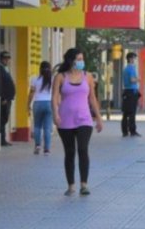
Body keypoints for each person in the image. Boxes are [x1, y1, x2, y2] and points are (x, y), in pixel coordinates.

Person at [52, 48, 103, 196]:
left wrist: (98, 117)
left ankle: (84, 184)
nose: (81, 62)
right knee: (69, 152)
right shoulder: (60, 77)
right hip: (65, 119)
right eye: (78, 59)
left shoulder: (87, 77)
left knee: (82, 149)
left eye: (82, 59)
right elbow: (54, 97)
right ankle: (71, 185)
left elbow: (92, 98)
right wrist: (55, 114)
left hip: (84, 119)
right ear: (71, 60)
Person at [27, 61, 53, 155]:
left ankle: (37, 146)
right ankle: (47, 149)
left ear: (40, 69)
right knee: (47, 128)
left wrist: (28, 105)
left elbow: (31, 93)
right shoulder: (53, 79)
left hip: (37, 103)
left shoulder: (34, 79)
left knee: (37, 126)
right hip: (49, 104)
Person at [121, 52, 141, 137]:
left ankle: (124, 131)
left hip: (126, 91)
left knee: (125, 113)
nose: (134, 60)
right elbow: (132, 80)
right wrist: (138, 79)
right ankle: (132, 130)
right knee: (132, 112)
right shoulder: (131, 69)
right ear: (130, 59)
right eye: (133, 58)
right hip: (132, 91)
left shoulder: (125, 69)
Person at [0, 51, 16, 146]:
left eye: (8, 58)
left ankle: (2, 139)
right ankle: (1, 139)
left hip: (8, 99)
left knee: (5, 119)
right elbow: (1, 85)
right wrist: (3, 98)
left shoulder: (5, 69)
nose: (7, 60)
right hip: (4, 99)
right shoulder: (0, 69)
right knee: (2, 119)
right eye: (5, 58)